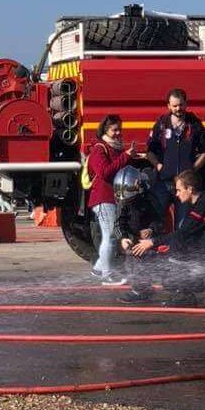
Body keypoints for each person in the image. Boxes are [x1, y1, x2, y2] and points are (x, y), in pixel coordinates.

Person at [132, 169, 205, 307]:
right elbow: (186, 235)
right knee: (172, 255)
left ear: (190, 189)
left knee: (170, 276)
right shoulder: (198, 203)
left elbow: (184, 233)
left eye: (179, 190)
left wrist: (152, 242)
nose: (177, 194)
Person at [146, 88, 205, 227]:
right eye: (174, 106)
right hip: (164, 183)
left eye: (181, 105)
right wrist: (158, 165)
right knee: (155, 223)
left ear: (186, 104)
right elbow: (150, 151)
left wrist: (192, 169)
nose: (178, 108)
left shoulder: (195, 124)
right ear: (168, 106)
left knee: (183, 225)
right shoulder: (161, 124)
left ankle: (181, 242)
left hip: (185, 186)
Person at [87, 114, 135, 284]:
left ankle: (98, 269)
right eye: (114, 130)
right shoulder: (99, 149)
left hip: (112, 198)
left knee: (112, 235)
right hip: (103, 197)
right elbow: (105, 172)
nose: (118, 133)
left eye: (120, 129)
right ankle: (107, 273)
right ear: (105, 130)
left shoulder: (116, 148)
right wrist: (126, 156)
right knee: (111, 236)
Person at [111, 166, 164, 303]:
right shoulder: (123, 201)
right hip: (131, 237)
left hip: (149, 240)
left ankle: (144, 290)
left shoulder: (149, 199)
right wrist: (123, 238)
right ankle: (141, 290)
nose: (126, 201)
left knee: (146, 263)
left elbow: (159, 220)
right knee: (132, 263)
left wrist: (151, 229)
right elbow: (118, 223)